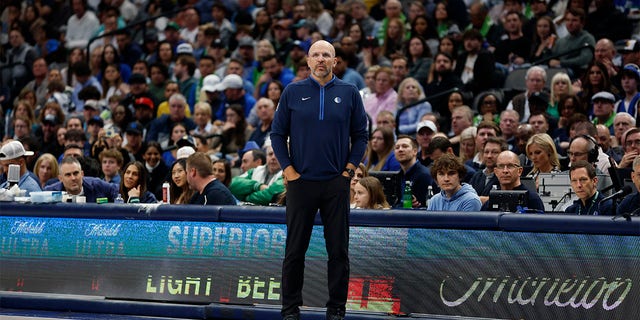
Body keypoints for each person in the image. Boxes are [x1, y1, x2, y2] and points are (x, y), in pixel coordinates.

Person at [270, 40, 368, 320]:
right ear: (308, 61)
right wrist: (288, 171)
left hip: (335, 183)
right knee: (294, 251)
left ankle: (336, 309)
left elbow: (360, 135)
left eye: (327, 55)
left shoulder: (349, 92)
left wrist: (348, 172)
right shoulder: (292, 91)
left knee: (338, 251)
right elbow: (277, 135)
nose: (321, 59)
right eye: (316, 55)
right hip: (301, 183)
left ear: (335, 61)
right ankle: (290, 309)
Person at [45, 156, 119, 203]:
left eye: (76, 173)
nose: (73, 178)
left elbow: (119, 190)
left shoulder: (97, 185)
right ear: (60, 178)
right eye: (68, 175)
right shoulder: (50, 192)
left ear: (82, 174)